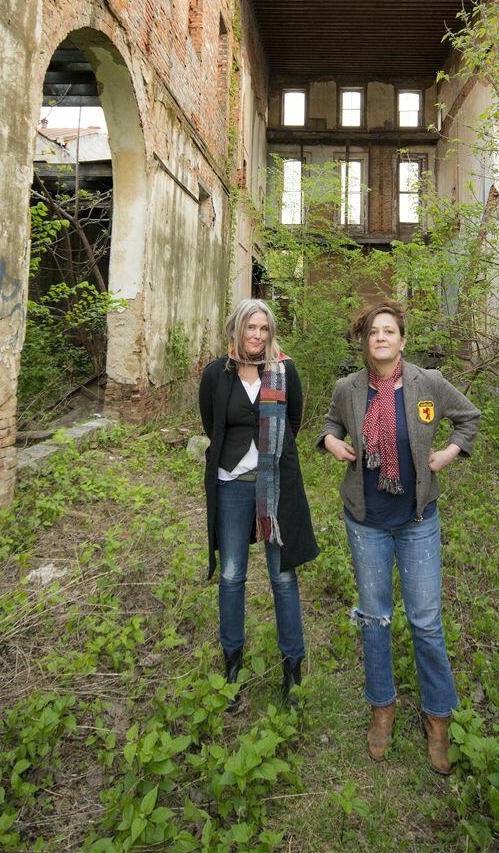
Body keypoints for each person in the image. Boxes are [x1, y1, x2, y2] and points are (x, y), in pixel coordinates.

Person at [318, 301, 480, 772]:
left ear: (403, 341)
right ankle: (382, 707)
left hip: (417, 521)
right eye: (374, 332)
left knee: (426, 622)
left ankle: (438, 717)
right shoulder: (348, 389)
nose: (382, 338)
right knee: (375, 619)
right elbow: (330, 424)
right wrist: (330, 440)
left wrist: (448, 453)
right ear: (365, 342)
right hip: (366, 522)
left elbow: (468, 417)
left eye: (389, 331)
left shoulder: (428, 384)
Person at [199, 298, 319, 707]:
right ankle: (232, 661)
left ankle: (293, 667)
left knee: (282, 577)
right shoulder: (216, 374)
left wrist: (268, 462)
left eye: (264, 328)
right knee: (232, 575)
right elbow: (212, 425)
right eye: (251, 327)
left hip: (275, 487)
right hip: (231, 486)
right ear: (237, 328)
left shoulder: (285, 372)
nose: (257, 335)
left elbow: (294, 423)